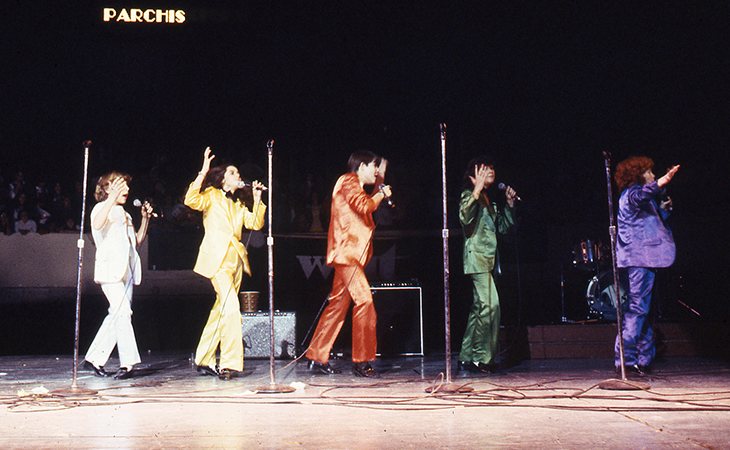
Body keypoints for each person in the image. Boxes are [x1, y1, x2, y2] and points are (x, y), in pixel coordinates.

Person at [305, 151, 391, 377]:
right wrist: (381, 194)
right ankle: (362, 360)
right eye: (373, 167)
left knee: (337, 307)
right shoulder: (348, 181)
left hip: (349, 255)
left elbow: (365, 202)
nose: (375, 171)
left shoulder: (355, 185)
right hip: (347, 254)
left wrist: (380, 181)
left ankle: (316, 356)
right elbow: (365, 206)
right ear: (361, 166)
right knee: (364, 301)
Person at [184, 147, 266, 381]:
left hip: (236, 262)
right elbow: (190, 200)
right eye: (233, 172)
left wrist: (257, 200)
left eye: (238, 173)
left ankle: (203, 358)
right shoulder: (210, 194)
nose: (238, 176)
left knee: (220, 311)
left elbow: (255, 223)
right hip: (217, 260)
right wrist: (203, 171)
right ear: (223, 178)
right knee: (231, 309)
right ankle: (229, 363)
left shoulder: (238, 204)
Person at [83, 171, 153, 379]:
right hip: (109, 270)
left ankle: (94, 358)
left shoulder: (126, 214)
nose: (128, 190)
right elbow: (96, 225)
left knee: (117, 314)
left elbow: (136, 241)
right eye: (122, 186)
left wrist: (145, 219)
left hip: (127, 271)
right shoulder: (100, 209)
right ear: (107, 188)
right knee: (123, 313)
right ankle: (128, 363)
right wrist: (111, 198)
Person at [614, 156, 680, 376]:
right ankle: (625, 359)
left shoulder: (642, 198)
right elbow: (643, 194)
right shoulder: (631, 195)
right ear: (639, 175)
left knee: (645, 310)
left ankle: (642, 358)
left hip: (647, 259)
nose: (652, 175)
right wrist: (663, 180)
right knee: (637, 308)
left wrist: (664, 208)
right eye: (650, 172)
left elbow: (655, 219)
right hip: (637, 260)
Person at [457, 156, 517, 374]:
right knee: (491, 305)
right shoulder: (469, 195)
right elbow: (464, 217)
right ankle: (481, 358)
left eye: (492, 168)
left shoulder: (487, 200)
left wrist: (509, 205)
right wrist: (475, 191)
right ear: (474, 176)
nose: (491, 171)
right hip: (477, 258)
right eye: (485, 169)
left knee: (479, 308)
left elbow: (502, 228)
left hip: (489, 260)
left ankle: (466, 355)